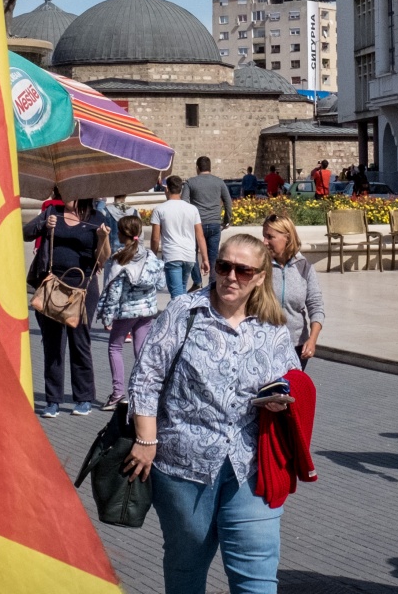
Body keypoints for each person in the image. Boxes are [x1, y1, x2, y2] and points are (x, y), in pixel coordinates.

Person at [125, 234, 301, 594]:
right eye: (224, 266)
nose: (231, 277)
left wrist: (281, 397)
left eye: (243, 270)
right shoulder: (184, 311)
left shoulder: (273, 326)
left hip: (251, 465)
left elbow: (292, 380)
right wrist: (145, 439)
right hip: (182, 465)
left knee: (257, 574)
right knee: (186, 567)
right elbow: (146, 377)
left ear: (261, 276)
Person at [22, 198, 110, 418]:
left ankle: (83, 398)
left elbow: (103, 258)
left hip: (83, 289)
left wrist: (103, 238)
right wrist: (44, 225)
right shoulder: (53, 212)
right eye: (65, 191)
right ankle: (53, 400)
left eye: (73, 193)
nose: (68, 197)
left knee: (80, 343)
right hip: (53, 287)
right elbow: (25, 232)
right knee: (52, 345)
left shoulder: (96, 218)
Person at [96, 215, 165, 411]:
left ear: (120, 234)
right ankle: (144, 391)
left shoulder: (121, 259)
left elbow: (114, 292)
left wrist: (107, 316)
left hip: (126, 311)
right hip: (147, 311)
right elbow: (160, 283)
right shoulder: (150, 256)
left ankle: (118, 393)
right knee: (141, 350)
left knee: (115, 348)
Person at [262, 214, 325, 367]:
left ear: (287, 238)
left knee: (293, 390)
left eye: (270, 237)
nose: (264, 242)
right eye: (264, 236)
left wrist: (312, 340)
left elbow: (316, 306)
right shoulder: (260, 266)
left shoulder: (304, 267)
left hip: (296, 346)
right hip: (264, 346)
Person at [151, 176, 210, 298]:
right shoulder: (192, 209)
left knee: (177, 295)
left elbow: (155, 238)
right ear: (181, 190)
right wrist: (205, 259)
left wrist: (153, 257)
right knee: (181, 291)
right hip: (189, 256)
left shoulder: (159, 209)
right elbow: (200, 236)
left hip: (172, 255)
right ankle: (183, 315)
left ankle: (181, 316)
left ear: (166, 189)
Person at [184, 156, 233, 289]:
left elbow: (184, 203)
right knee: (213, 255)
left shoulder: (190, 182)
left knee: (192, 253)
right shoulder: (219, 182)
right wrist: (227, 220)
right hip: (214, 223)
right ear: (210, 167)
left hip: (196, 225)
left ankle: (197, 281)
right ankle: (212, 283)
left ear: (197, 168)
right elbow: (228, 202)